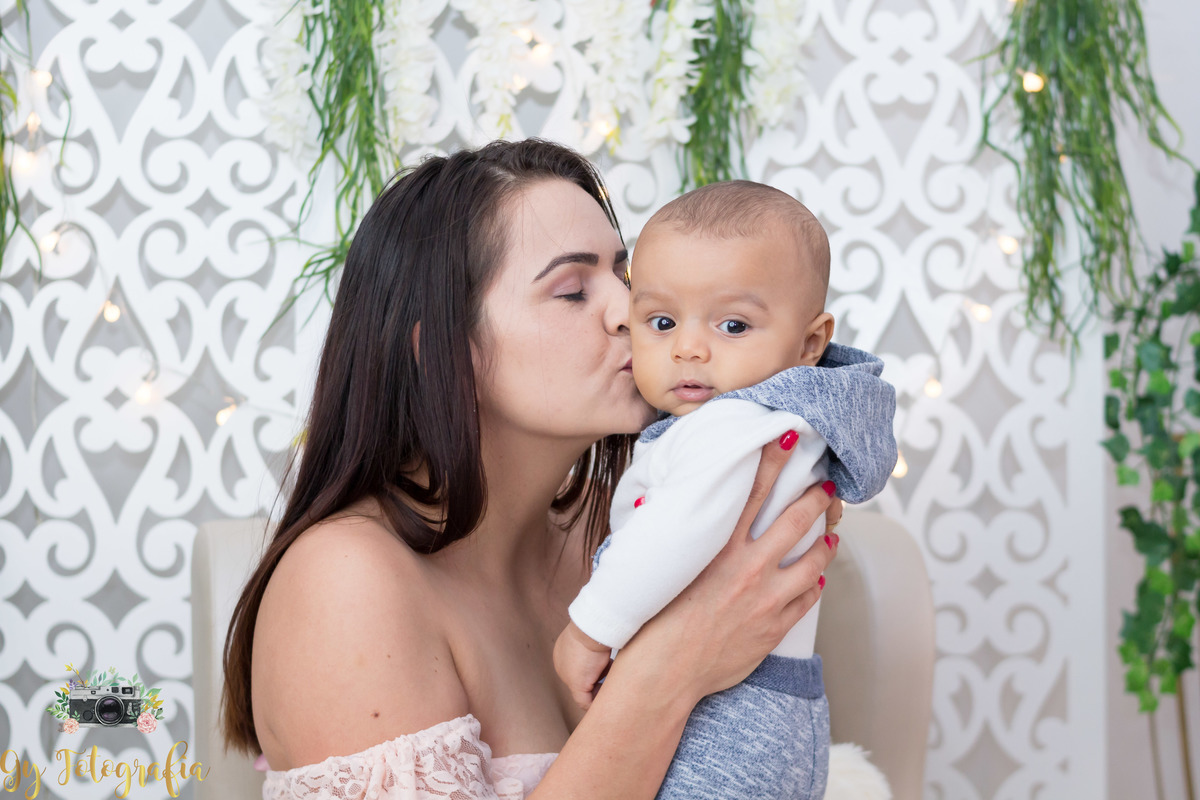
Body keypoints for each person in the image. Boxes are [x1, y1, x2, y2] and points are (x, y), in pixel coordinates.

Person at [218, 139, 843, 800]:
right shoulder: (347, 581)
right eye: (573, 290)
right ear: (447, 355)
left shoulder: (625, 535)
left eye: (626, 280)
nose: (627, 314)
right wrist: (673, 667)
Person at [553, 180, 898, 799]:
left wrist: (589, 632)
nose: (688, 348)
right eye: (660, 321)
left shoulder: (732, 424)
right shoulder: (775, 422)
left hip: (730, 710)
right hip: (781, 701)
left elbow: (680, 531)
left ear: (811, 343)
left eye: (733, 325)